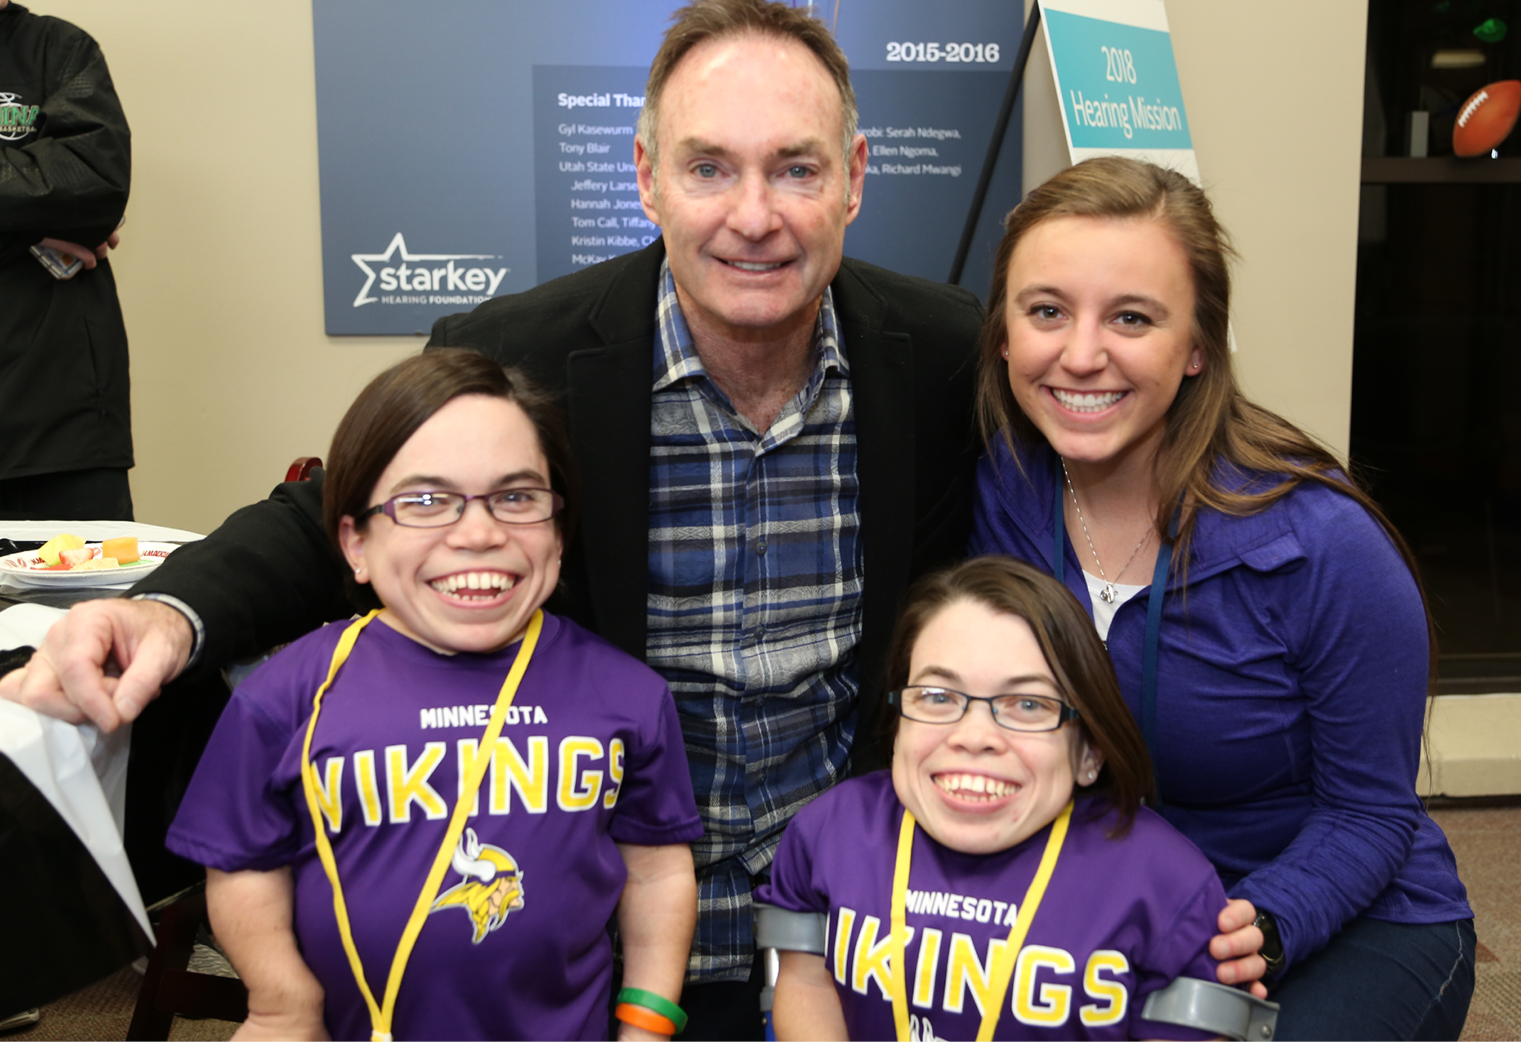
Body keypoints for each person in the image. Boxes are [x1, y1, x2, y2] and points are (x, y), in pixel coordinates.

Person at [0, 5, 1262, 1033]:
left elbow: (1116, 452)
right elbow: (338, 507)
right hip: (594, 946)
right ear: (648, 177)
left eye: (796, 169)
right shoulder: (525, 352)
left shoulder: (941, 355)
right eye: (709, 167)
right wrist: (166, 608)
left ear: (857, 180)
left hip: (863, 938)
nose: (752, 214)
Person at [968, 156, 1475, 1040]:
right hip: (1110, 911)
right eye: (1046, 311)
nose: (1080, 354)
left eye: (1132, 318)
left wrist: (1260, 928)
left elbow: (1370, 812)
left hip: (1334, 920)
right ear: (1004, 335)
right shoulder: (1002, 490)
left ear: (1198, 345)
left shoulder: (1322, 544)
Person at [164, 350, 703, 1041]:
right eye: (424, 501)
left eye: (516, 497)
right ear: (354, 543)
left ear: (560, 532)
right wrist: (279, 1000)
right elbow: (241, 865)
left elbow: (656, 875)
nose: (478, 534)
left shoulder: (625, 693)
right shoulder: (287, 697)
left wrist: (647, 1022)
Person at [761, 557, 1238, 1041]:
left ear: (1089, 750)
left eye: (1028, 705)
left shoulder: (1166, 884)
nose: (975, 736)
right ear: (898, 718)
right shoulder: (831, 832)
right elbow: (806, 983)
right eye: (938, 696)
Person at [0, 0, 134, 521]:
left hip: (59, 416)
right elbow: (56, 190)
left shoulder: (60, 49)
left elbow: (95, 180)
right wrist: (28, 231)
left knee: (84, 598)